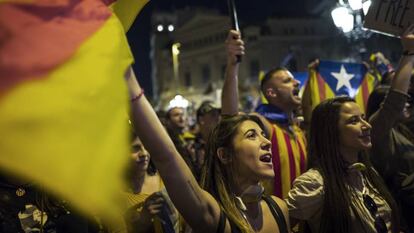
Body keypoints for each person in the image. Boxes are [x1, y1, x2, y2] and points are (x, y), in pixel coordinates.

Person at [126, 68, 289, 233]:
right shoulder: (213, 216)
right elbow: (166, 157)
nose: (267, 142)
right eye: (252, 135)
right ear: (225, 155)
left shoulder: (280, 209)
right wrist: (128, 79)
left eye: (263, 134)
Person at [286, 96, 400, 233]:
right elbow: (278, 223)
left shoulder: (366, 172)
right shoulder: (314, 182)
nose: (367, 125)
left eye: (363, 118)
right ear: (331, 131)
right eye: (354, 121)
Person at [223, 30, 307, 199]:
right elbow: (230, 117)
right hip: (276, 221)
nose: (297, 82)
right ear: (271, 93)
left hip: (305, 224)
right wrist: (232, 65)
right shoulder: (263, 125)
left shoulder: (298, 130)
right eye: (287, 81)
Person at [367, 25, 414, 233]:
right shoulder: (378, 132)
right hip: (401, 216)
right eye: (404, 99)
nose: (408, 102)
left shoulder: (404, 130)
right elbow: (395, 101)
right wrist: (409, 53)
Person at [122, 134, 179, 233]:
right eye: (135, 148)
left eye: (146, 146)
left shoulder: (165, 180)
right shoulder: (116, 199)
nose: (144, 153)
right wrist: (143, 221)